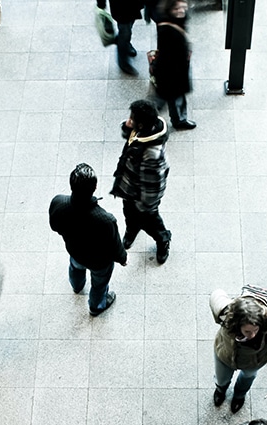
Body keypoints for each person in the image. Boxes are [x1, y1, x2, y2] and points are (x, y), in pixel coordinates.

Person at [49, 163, 128, 316]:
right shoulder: (105, 220)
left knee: (75, 268)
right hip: (99, 262)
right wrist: (123, 258)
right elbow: (114, 245)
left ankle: (77, 286)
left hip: (75, 251)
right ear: (95, 187)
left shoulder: (58, 203)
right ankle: (96, 306)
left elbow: (54, 226)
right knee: (99, 284)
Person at [210, 288, 267, 413]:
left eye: (256, 330)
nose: (252, 335)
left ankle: (239, 396)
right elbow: (216, 294)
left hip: (254, 360)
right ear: (236, 324)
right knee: (221, 377)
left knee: (248, 377)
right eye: (247, 331)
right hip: (224, 354)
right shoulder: (225, 314)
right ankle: (220, 390)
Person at [111, 99, 172, 264]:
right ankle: (132, 229)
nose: (128, 121)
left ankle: (163, 239)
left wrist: (145, 207)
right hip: (130, 188)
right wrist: (128, 127)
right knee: (129, 214)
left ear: (141, 125)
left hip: (144, 199)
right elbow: (130, 136)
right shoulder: (142, 132)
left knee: (151, 222)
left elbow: (154, 186)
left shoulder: (152, 154)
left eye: (132, 119)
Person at [151, 0, 195, 130]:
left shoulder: (175, 21)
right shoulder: (167, 30)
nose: (181, 10)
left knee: (165, 97)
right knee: (171, 98)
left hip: (174, 70)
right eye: (177, 8)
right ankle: (179, 121)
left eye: (182, 7)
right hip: (172, 72)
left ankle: (151, 116)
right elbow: (167, 56)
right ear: (170, 9)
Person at [97, 0, 144, 75]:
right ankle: (123, 62)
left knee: (129, 25)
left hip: (133, 4)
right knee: (125, 31)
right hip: (121, 7)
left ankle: (124, 43)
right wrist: (101, 4)